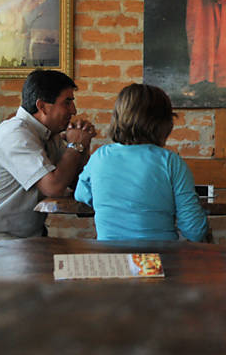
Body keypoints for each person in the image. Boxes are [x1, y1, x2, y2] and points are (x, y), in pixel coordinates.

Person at [0, 69, 96, 260]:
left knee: (81, 265)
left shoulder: (48, 134)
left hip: (21, 241)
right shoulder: (15, 134)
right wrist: (75, 146)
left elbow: (74, 182)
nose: (74, 111)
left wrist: (81, 147)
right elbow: (53, 187)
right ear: (42, 106)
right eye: (67, 102)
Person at [74, 83, 209, 242]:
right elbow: (194, 231)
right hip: (159, 261)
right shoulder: (171, 162)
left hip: (110, 259)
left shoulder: (99, 156)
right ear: (164, 123)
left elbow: (80, 194)